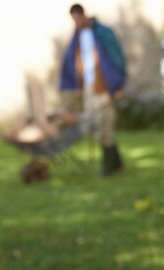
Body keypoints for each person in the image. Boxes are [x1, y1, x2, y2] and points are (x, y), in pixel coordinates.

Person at [60, 3, 125, 176]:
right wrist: (79, 86)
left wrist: (118, 84)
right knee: (98, 125)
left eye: (77, 19)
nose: (76, 23)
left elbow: (116, 56)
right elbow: (77, 62)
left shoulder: (102, 32)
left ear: (82, 15)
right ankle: (116, 163)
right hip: (88, 87)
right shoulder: (78, 36)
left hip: (102, 85)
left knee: (105, 121)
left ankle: (108, 167)